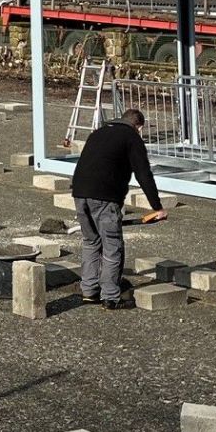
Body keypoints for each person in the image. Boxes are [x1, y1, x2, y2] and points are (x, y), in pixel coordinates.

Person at [70, 107, 167, 308]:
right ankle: (111, 297)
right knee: (112, 245)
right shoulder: (132, 138)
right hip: (105, 198)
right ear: (138, 127)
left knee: (91, 241)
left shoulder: (98, 133)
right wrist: (157, 207)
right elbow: (143, 174)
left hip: (80, 192)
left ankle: (89, 291)